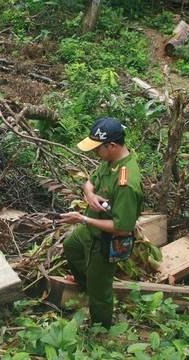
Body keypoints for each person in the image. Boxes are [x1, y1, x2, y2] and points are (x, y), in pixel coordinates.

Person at [56, 117, 144, 329]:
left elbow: (123, 229)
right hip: (91, 230)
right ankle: (86, 281)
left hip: (107, 240)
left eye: (98, 149)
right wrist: (90, 196)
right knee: (71, 245)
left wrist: (83, 218)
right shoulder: (110, 162)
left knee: (101, 293)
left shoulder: (126, 182)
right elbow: (90, 182)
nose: (95, 153)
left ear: (112, 146)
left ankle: (100, 330)